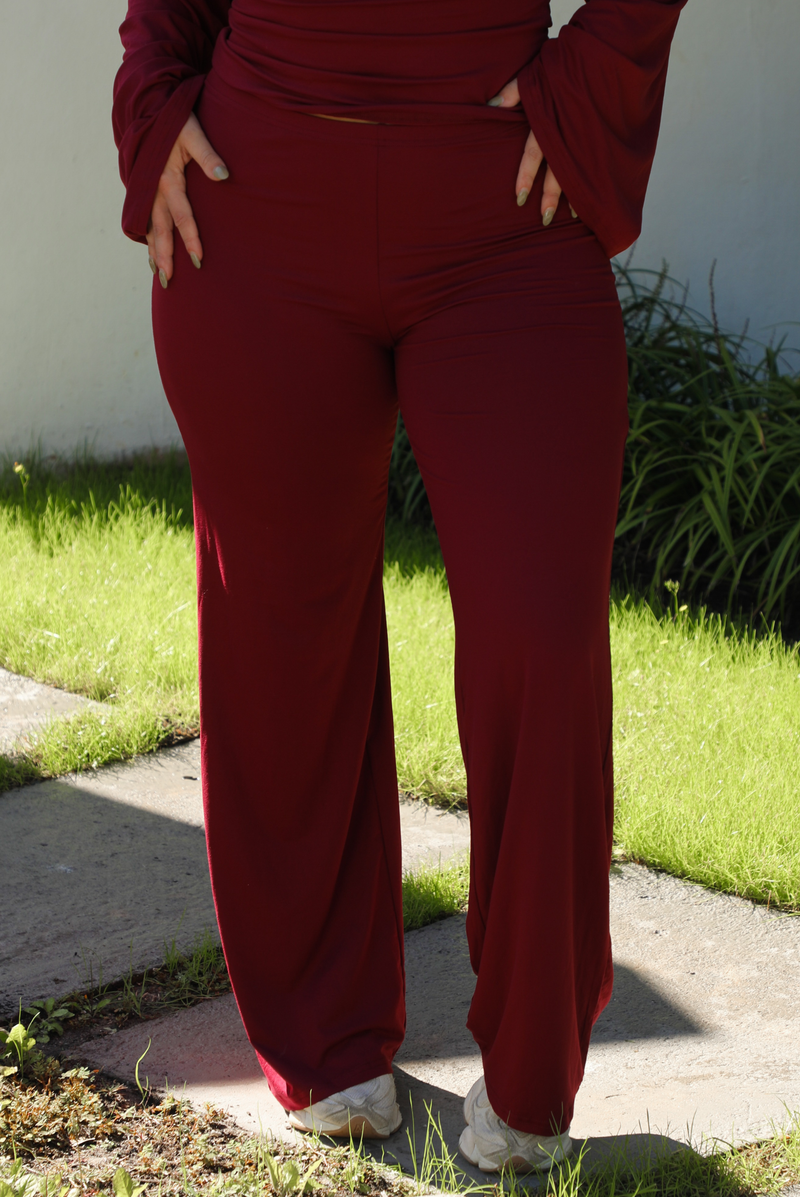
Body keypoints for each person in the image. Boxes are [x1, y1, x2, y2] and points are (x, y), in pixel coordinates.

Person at [113, 0, 686, 1173]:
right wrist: (156, 92)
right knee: (281, 630)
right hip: (255, 203)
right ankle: (323, 1040)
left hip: (502, 213)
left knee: (541, 632)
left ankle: (531, 1067)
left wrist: (589, 80)